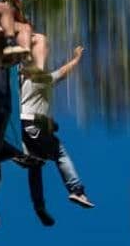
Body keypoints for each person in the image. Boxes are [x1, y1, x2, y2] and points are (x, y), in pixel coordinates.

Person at [21, 45, 95, 226]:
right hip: (34, 124)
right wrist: (76, 59)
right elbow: (62, 72)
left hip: (24, 127)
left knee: (36, 163)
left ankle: (39, 207)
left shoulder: (22, 85)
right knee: (59, 152)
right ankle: (76, 190)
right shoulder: (39, 80)